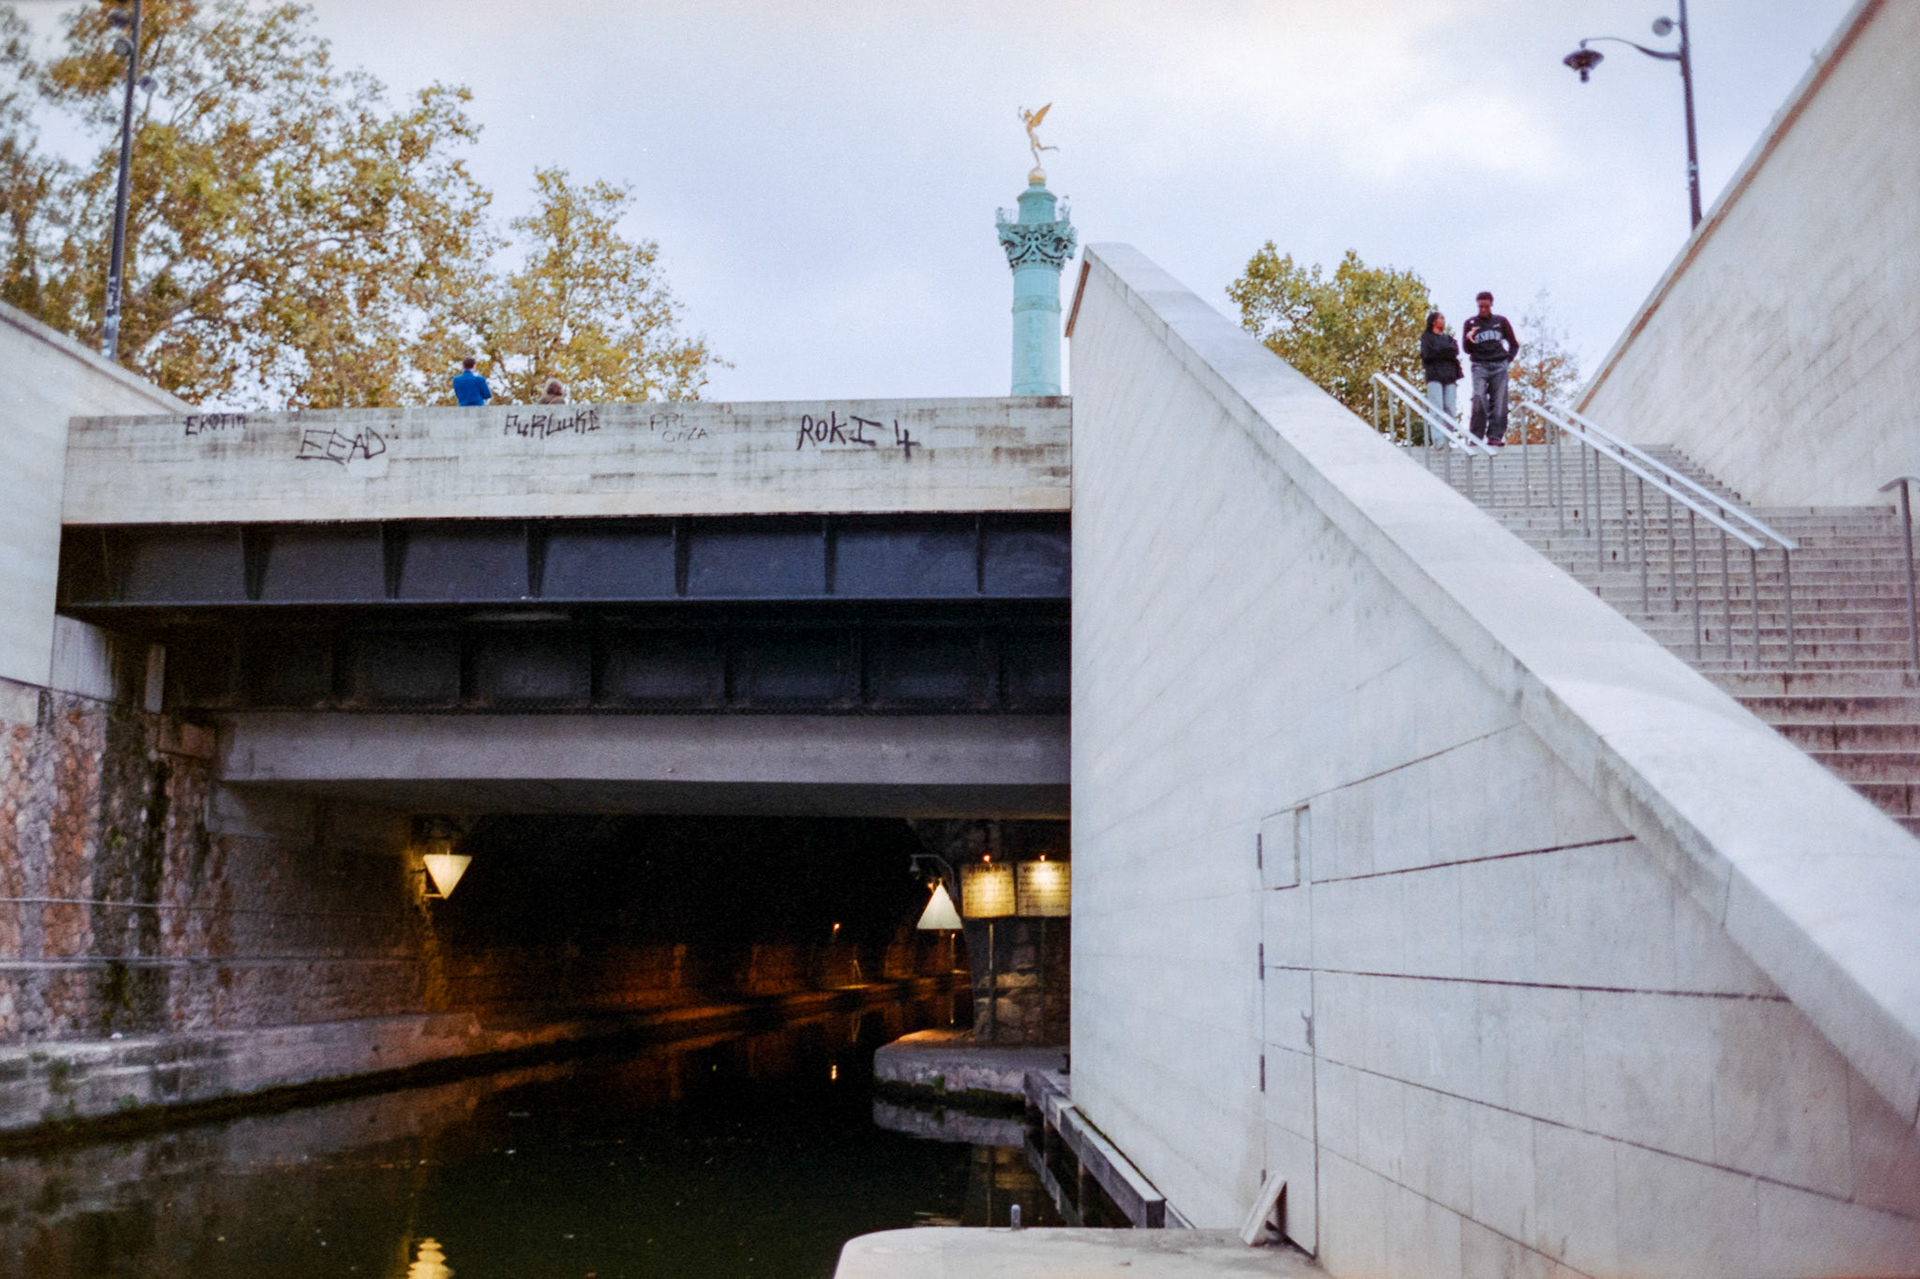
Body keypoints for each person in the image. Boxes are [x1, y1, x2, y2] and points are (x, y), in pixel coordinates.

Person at [1462, 291, 1520, 445]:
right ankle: (1476, 436)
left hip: (1499, 365)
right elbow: (1466, 349)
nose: (1483, 309)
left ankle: (1495, 436)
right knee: (1479, 397)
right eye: (1480, 307)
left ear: (1491, 305)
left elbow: (1514, 344)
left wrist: (1507, 359)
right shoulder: (1470, 323)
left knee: (1499, 400)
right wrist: (1469, 337)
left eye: (1486, 307)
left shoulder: (1501, 321)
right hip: (1479, 365)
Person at [1419, 311, 1462, 420]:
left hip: (1450, 376)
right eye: (1441, 318)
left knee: (1450, 409)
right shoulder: (1427, 337)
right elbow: (1427, 354)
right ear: (1434, 321)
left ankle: (1449, 431)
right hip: (1434, 376)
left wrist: (1438, 351)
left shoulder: (1449, 338)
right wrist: (1445, 352)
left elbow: (1454, 351)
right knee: (1436, 408)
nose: (1444, 321)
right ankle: (1437, 432)